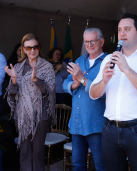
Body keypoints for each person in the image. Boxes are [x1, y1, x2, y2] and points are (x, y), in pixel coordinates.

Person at [90, 13, 137, 171]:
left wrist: (127, 69)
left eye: (127, 29)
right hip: (110, 129)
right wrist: (104, 81)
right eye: (119, 30)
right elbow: (94, 94)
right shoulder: (108, 59)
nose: (122, 33)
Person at [5, 33, 55, 171]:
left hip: (41, 117)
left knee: (38, 153)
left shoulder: (47, 67)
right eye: (28, 48)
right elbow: (12, 92)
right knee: (24, 152)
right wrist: (14, 79)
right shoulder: (18, 67)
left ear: (39, 47)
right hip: (21, 117)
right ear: (23, 49)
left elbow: (49, 91)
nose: (32, 51)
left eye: (35, 47)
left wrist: (36, 80)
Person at [63, 28, 107, 171]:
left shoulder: (108, 62)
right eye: (86, 41)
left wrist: (82, 79)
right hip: (77, 123)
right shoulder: (79, 60)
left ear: (101, 42)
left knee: (101, 166)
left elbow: (107, 92)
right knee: (78, 165)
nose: (89, 44)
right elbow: (65, 83)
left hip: (97, 125)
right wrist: (73, 85)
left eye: (93, 41)